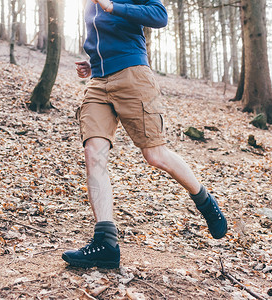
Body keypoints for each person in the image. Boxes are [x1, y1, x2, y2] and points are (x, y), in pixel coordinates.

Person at [62, 0, 227, 269]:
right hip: (98, 81)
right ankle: (106, 243)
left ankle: (204, 201)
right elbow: (101, 35)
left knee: (155, 155)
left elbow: (159, 15)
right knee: (93, 153)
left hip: (133, 76)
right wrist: (93, 64)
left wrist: (113, 6)